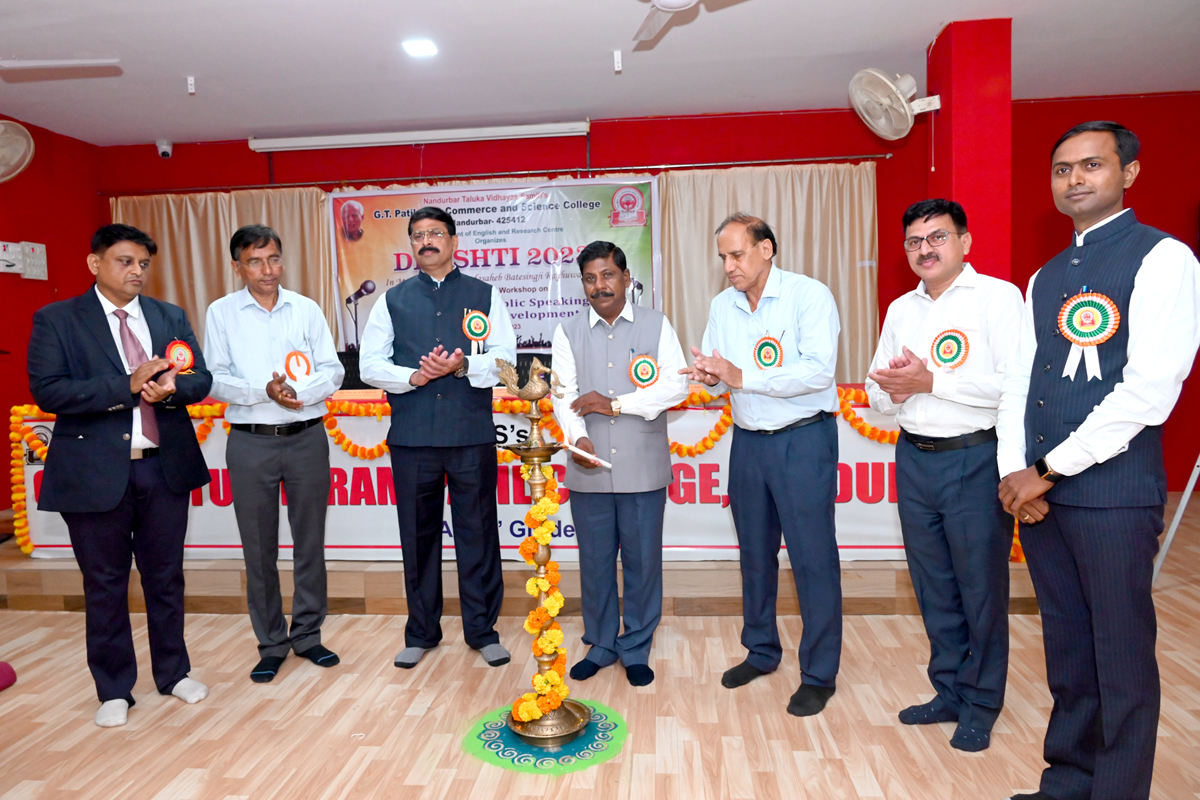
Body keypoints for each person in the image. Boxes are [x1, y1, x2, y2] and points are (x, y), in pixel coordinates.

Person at [996, 122, 1200, 800]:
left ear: (1129, 173)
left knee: (1120, 659)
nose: (1074, 179)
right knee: (1068, 652)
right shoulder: (1046, 276)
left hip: (1112, 495)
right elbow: (1020, 382)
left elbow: (1149, 389)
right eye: (1062, 169)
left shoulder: (1163, 258)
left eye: (1091, 165)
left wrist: (1046, 470)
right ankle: (1068, 782)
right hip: (1043, 499)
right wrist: (1014, 474)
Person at [27, 224, 213, 727]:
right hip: (93, 473)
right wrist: (125, 386)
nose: (136, 272)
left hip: (163, 469)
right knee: (105, 584)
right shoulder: (58, 319)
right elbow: (49, 390)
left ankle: (174, 673)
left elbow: (200, 378)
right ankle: (113, 689)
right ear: (95, 264)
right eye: (125, 261)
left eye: (143, 264)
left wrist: (171, 391)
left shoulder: (168, 316)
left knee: (165, 578)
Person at [866, 199, 1023, 752]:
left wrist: (932, 381)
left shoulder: (999, 298)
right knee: (933, 587)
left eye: (937, 237)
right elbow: (875, 392)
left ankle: (981, 704)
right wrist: (894, 387)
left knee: (980, 589)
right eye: (914, 241)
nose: (925, 249)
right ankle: (949, 692)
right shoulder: (900, 309)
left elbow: (1013, 385)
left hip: (974, 459)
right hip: (914, 458)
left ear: (965, 241)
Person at [680, 212, 843, 717]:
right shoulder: (721, 305)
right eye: (722, 257)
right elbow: (724, 374)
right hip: (748, 442)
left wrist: (740, 375)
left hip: (803, 439)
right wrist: (711, 376)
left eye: (737, 254)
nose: (729, 266)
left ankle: (819, 674)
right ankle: (761, 651)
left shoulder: (808, 295)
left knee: (812, 559)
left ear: (766, 249)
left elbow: (818, 371)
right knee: (754, 554)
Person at [359, 206, 516, 670]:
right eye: (417, 235)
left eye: (434, 233)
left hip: (470, 435)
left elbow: (505, 360)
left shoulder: (485, 294)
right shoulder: (391, 301)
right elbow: (369, 365)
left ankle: (482, 631)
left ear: (453, 241)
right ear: (411, 245)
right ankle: (422, 632)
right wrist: (414, 376)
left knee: (478, 534)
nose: (425, 241)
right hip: (413, 439)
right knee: (418, 537)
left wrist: (464, 365)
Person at [204, 225, 345, 684]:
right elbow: (214, 378)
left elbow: (333, 370)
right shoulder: (221, 313)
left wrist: (298, 393)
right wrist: (261, 391)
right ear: (237, 266)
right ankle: (271, 644)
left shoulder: (306, 308)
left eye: (274, 259)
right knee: (258, 549)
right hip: (250, 441)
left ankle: (308, 635)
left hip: (306, 437)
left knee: (310, 542)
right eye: (255, 261)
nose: (268, 270)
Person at [551, 241, 688, 687]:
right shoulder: (567, 331)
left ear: (627, 278)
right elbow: (562, 395)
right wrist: (578, 438)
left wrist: (615, 404)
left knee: (642, 563)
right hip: (588, 466)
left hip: (642, 466)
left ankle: (636, 647)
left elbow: (676, 387)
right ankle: (602, 644)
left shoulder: (656, 324)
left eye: (608, 275)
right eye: (590, 279)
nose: (600, 286)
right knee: (594, 564)